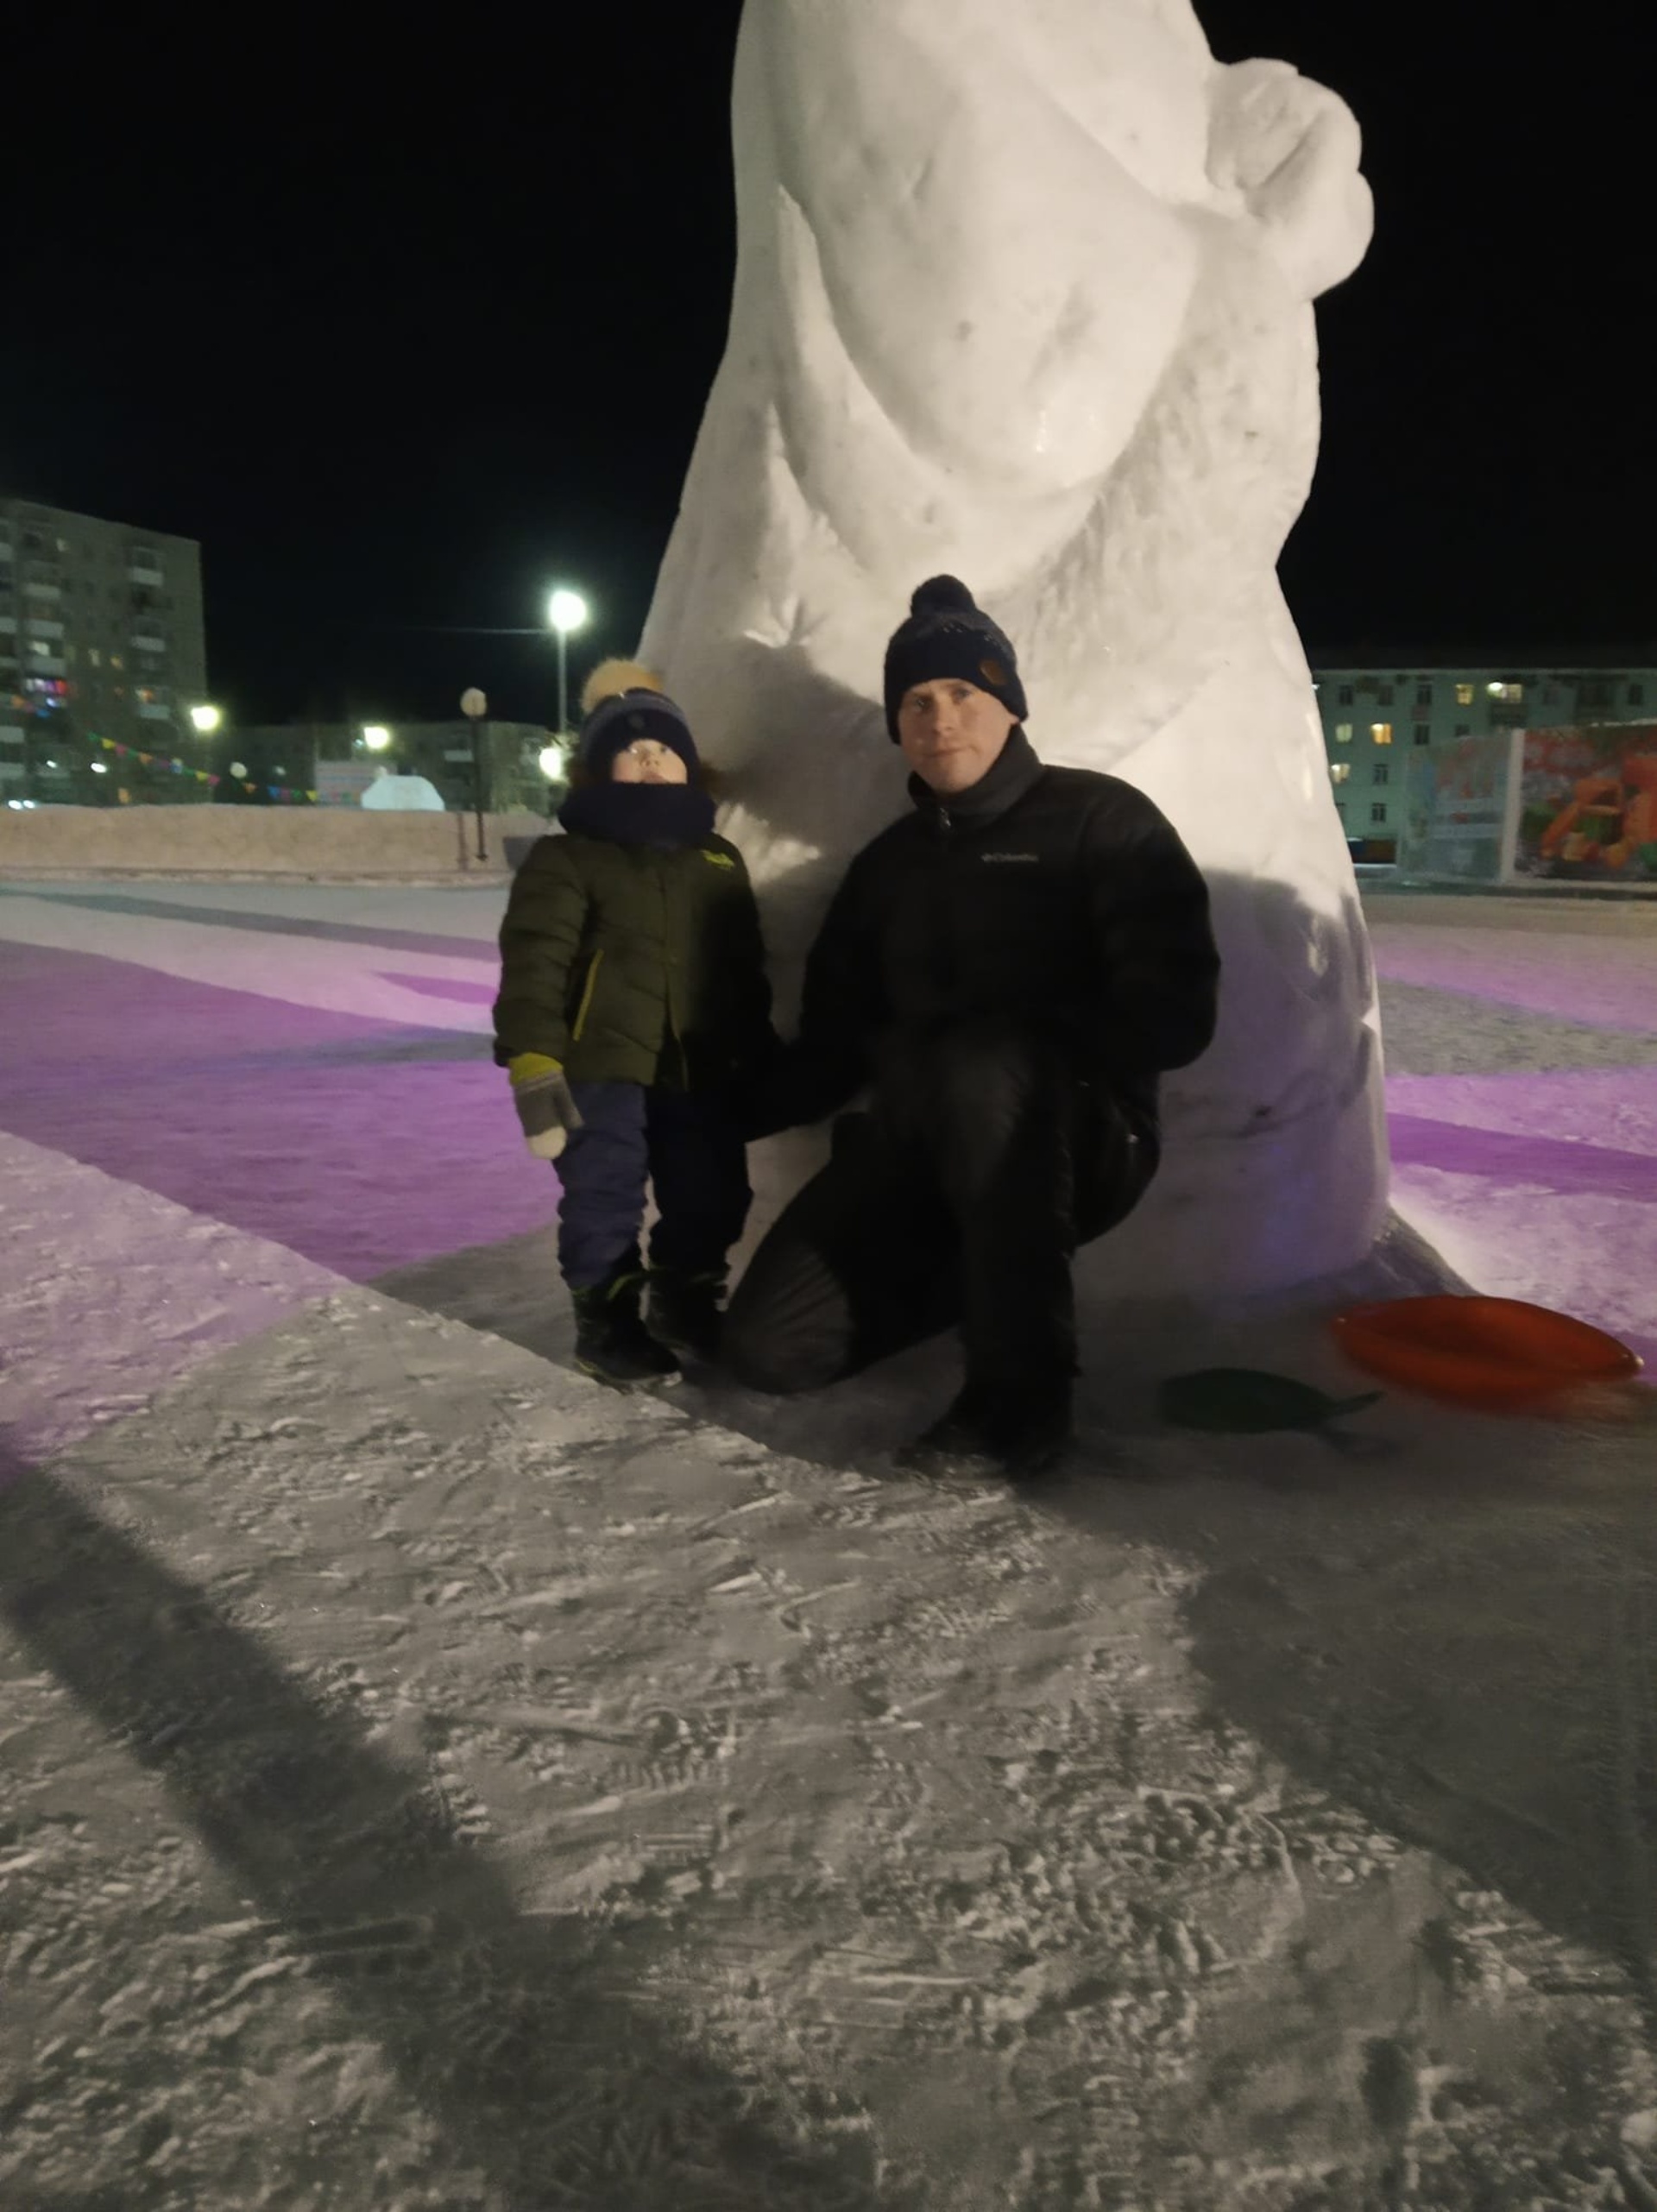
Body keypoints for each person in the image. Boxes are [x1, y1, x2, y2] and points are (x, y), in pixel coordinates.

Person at [723, 577, 1221, 1480]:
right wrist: (706, 1110)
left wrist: (1029, 1042)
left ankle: (1020, 1400)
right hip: (918, 1146)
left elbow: (1177, 1014)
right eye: (916, 700)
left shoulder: (1101, 821)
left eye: (963, 692)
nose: (939, 718)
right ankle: (996, 1278)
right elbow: (833, 1049)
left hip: (1082, 1135)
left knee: (982, 1062)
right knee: (767, 1350)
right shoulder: (887, 869)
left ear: (1009, 703)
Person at [494, 662, 775, 1388]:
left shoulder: (718, 857)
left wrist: (755, 1049)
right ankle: (608, 1319)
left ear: (690, 763)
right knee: (604, 1188)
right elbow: (535, 958)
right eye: (631, 746)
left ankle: (685, 1298)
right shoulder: (568, 856)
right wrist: (532, 1057)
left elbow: (740, 966)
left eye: (664, 747)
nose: (650, 757)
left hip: (695, 1063)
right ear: (597, 767)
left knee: (711, 1188)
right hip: (598, 1063)